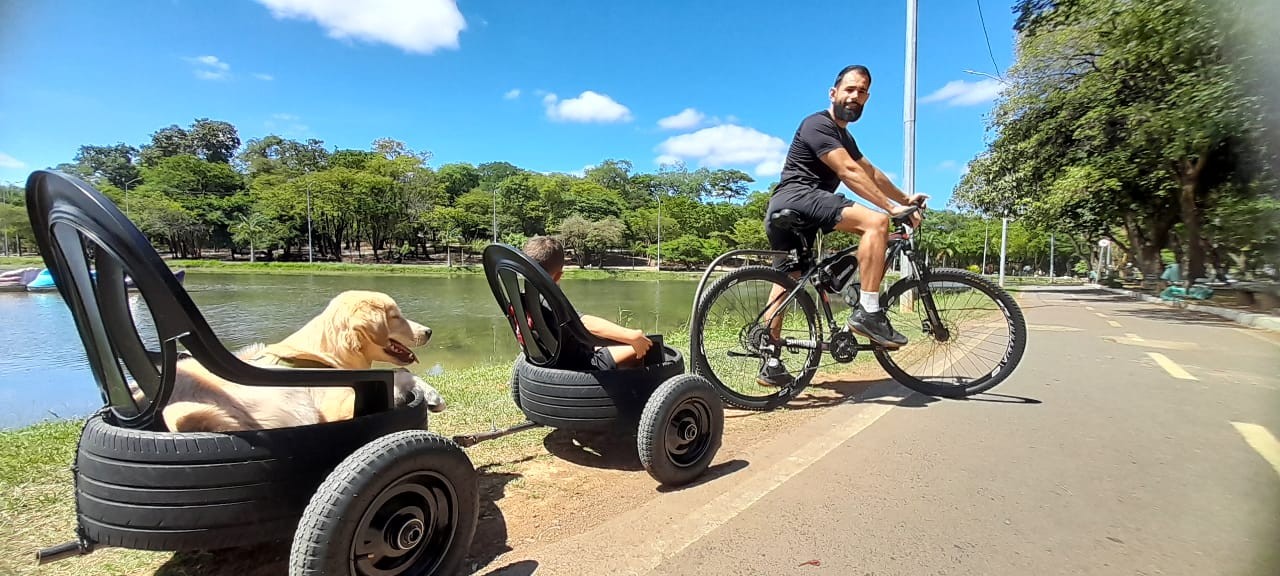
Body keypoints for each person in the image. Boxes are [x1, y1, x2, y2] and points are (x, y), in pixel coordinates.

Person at [760, 64, 927, 385]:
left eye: (862, 92)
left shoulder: (845, 137)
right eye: (850, 89)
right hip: (797, 197)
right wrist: (892, 209)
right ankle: (867, 310)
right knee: (877, 223)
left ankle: (770, 358)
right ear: (833, 93)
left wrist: (905, 201)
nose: (855, 96)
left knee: (786, 283)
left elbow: (871, 173)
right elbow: (849, 172)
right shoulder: (816, 124)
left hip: (791, 212)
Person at [521, 236, 653, 370]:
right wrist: (632, 336)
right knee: (650, 346)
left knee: (611, 343)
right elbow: (584, 323)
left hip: (547, 358)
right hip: (581, 363)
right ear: (558, 276)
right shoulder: (548, 300)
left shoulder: (522, 298)